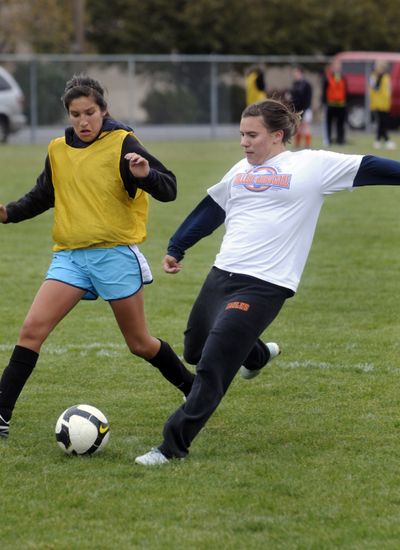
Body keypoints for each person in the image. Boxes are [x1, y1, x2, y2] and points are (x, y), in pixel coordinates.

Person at [135, 98, 400, 466]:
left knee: (213, 364)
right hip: (222, 273)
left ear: (277, 136)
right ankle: (257, 354)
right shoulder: (239, 171)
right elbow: (212, 208)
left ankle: (171, 447)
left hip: (266, 283)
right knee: (194, 349)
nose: (244, 142)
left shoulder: (312, 165)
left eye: (252, 135)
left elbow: (372, 167)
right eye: (242, 134)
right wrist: (178, 246)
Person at [0, 74, 194, 439]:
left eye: (90, 112)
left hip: (114, 256)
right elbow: (45, 194)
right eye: (76, 114)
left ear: (104, 110)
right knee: (31, 331)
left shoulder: (122, 143)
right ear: (69, 115)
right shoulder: (58, 149)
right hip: (70, 258)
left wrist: (145, 174)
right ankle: (1, 414)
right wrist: (8, 213)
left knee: (140, 344)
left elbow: (169, 188)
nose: (83, 121)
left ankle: (194, 388)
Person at [369, 60, 396, 150]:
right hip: (377, 104)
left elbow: (388, 89)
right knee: (381, 122)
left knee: (384, 122)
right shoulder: (373, 77)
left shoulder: (386, 77)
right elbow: (374, 88)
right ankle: (386, 140)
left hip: (385, 103)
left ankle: (378, 141)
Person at [287, 65, 313, 148]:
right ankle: (297, 144)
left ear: (300, 72)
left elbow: (306, 97)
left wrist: (306, 108)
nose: (294, 74)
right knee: (298, 126)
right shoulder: (295, 84)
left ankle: (307, 144)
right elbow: (293, 96)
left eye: (296, 72)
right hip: (297, 109)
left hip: (305, 108)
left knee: (306, 126)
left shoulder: (306, 84)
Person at [322, 60, 347, 145]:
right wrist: (324, 102)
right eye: (336, 66)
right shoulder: (328, 77)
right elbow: (324, 91)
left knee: (340, 124)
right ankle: (328, 140)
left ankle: (340, 140)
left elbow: (346, 91)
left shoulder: (343, 77)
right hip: (331, 104)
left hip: (341, 105)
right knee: (329, 123)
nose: (337, 68)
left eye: (339, 67)